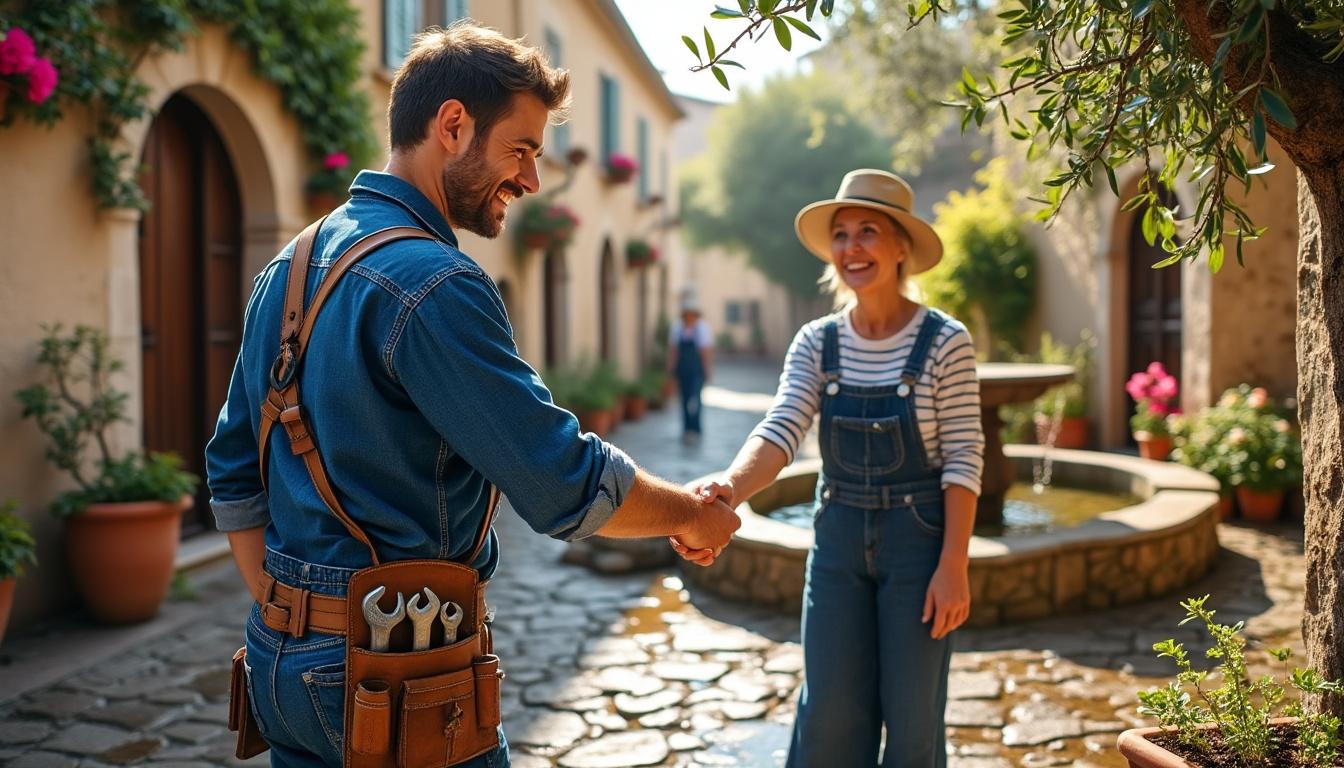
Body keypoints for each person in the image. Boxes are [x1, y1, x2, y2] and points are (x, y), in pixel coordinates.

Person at [205, 23, 738, 768]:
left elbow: (231, 467)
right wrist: (693, 516)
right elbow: (558, 480)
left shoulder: (289, 267)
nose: (530, 180)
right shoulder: (437, 284)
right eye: (521, 150)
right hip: (393, 673)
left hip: (277, 663)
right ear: (453, 126)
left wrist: (295, 612)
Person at [680, 169, 985, 767]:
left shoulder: (946, 341)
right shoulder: (816, 342)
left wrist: (954, 565)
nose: (852, 248)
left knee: (913, 716)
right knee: (830, 714)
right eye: (841, 235)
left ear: (902, 248)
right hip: (838, 540)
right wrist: (731, 488)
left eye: (868, 231)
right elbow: (782, 426)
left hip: (919, 548)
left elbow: (964, 457)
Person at [665, 289, 714, 444]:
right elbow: (673, 350)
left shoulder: (702, 328)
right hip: (683, 369)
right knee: (684, 399)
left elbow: (705, 351)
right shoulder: (678, 328)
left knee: (697, 399)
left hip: (697, 369)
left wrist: (707, 370)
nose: (689, 317)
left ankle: (696, 429)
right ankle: (687, 429)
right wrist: (672, 369)